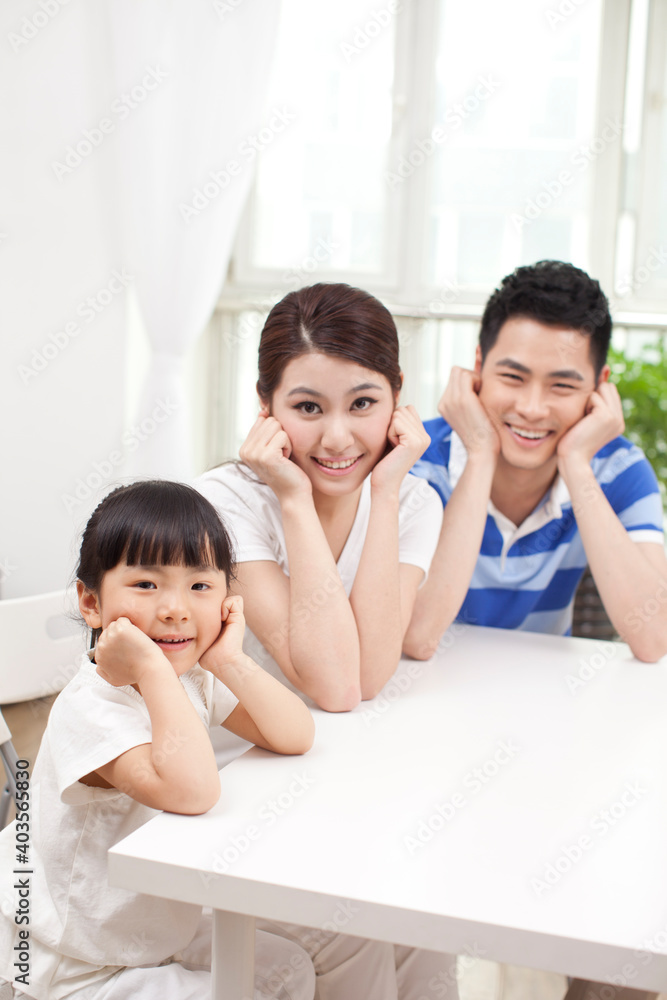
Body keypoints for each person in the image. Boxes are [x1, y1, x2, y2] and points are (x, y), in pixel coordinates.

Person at [196, 282, 460, 999]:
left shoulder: (407, 497)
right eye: (307, 407)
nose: (338, 438)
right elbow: (334, 685)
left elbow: (367, 671)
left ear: (397, 400)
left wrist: (383, 491)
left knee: (431, 939)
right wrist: (289, 495)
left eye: (363, 404)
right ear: (266, 408)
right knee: (369, 941)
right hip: (226, 791)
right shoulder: (227, 503)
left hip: (333, 781)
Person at [0, 480, 316, 1000]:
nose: (175, 609)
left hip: (150, 930)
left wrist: (228, 659)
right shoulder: (91, 707)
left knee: (290, 968)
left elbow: (295, 735)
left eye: (200, 587)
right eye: (147, 585)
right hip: (77, 963)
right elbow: (193, 792)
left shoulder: (191, 677)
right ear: (91, 603)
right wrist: (150, 667)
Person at [404, 259, 667, 665]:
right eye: (513, 377)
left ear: (599, 387)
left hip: (548, 703)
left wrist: (577, 464)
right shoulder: (414, 458)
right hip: (417, 694)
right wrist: (479, 455)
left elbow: (654, 638)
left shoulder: (619, 469)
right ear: (478, 367)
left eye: (562, 385)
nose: (531, 408)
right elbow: (416, 636)